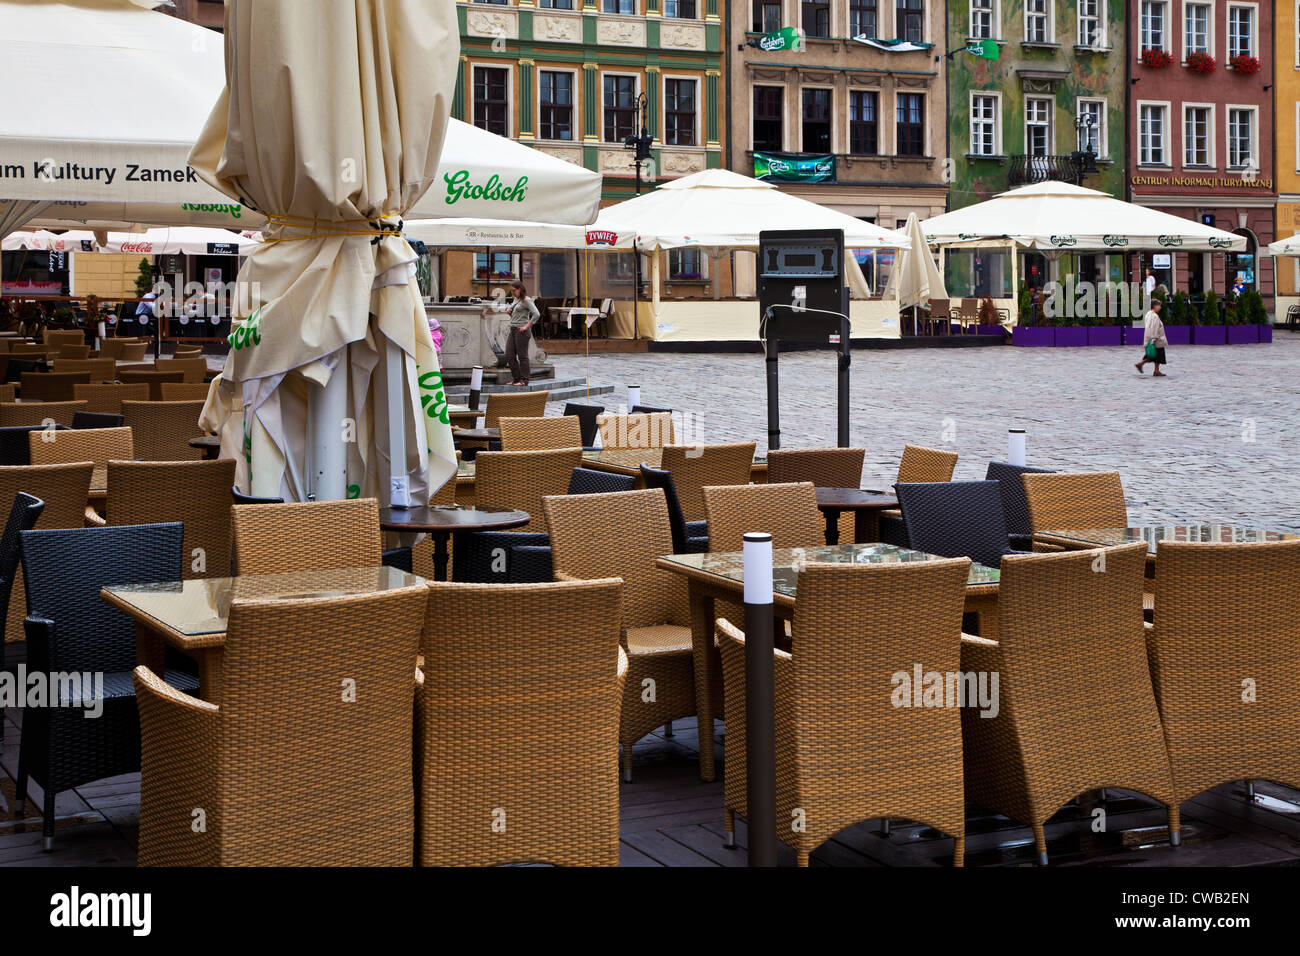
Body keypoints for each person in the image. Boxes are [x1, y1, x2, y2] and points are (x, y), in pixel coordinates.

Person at [504, 281, 538, 386]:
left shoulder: (526, 300)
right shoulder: (516, 300)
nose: (512, 293)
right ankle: (516, 379)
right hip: (513, 329)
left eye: (514, 290)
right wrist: (510, 312)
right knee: (509, 355)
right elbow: (516, 316)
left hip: (522, 331)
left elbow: (536, 314)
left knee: (522, 356)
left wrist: (526, 326)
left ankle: (524, 380)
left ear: (520, 289)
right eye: (511, 291)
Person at [1135, 297, 1168, 378]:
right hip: (1156, 339)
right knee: (1156, 355)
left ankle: (1155, 370)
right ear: (1154, 306)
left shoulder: (1148, 314)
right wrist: (1154, 338)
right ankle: (1142, 365)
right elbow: (1154, 327)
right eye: (1159, 305)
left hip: (1151, 337)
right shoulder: (1154, 316)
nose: (1160, 307)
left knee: (1154, 355)